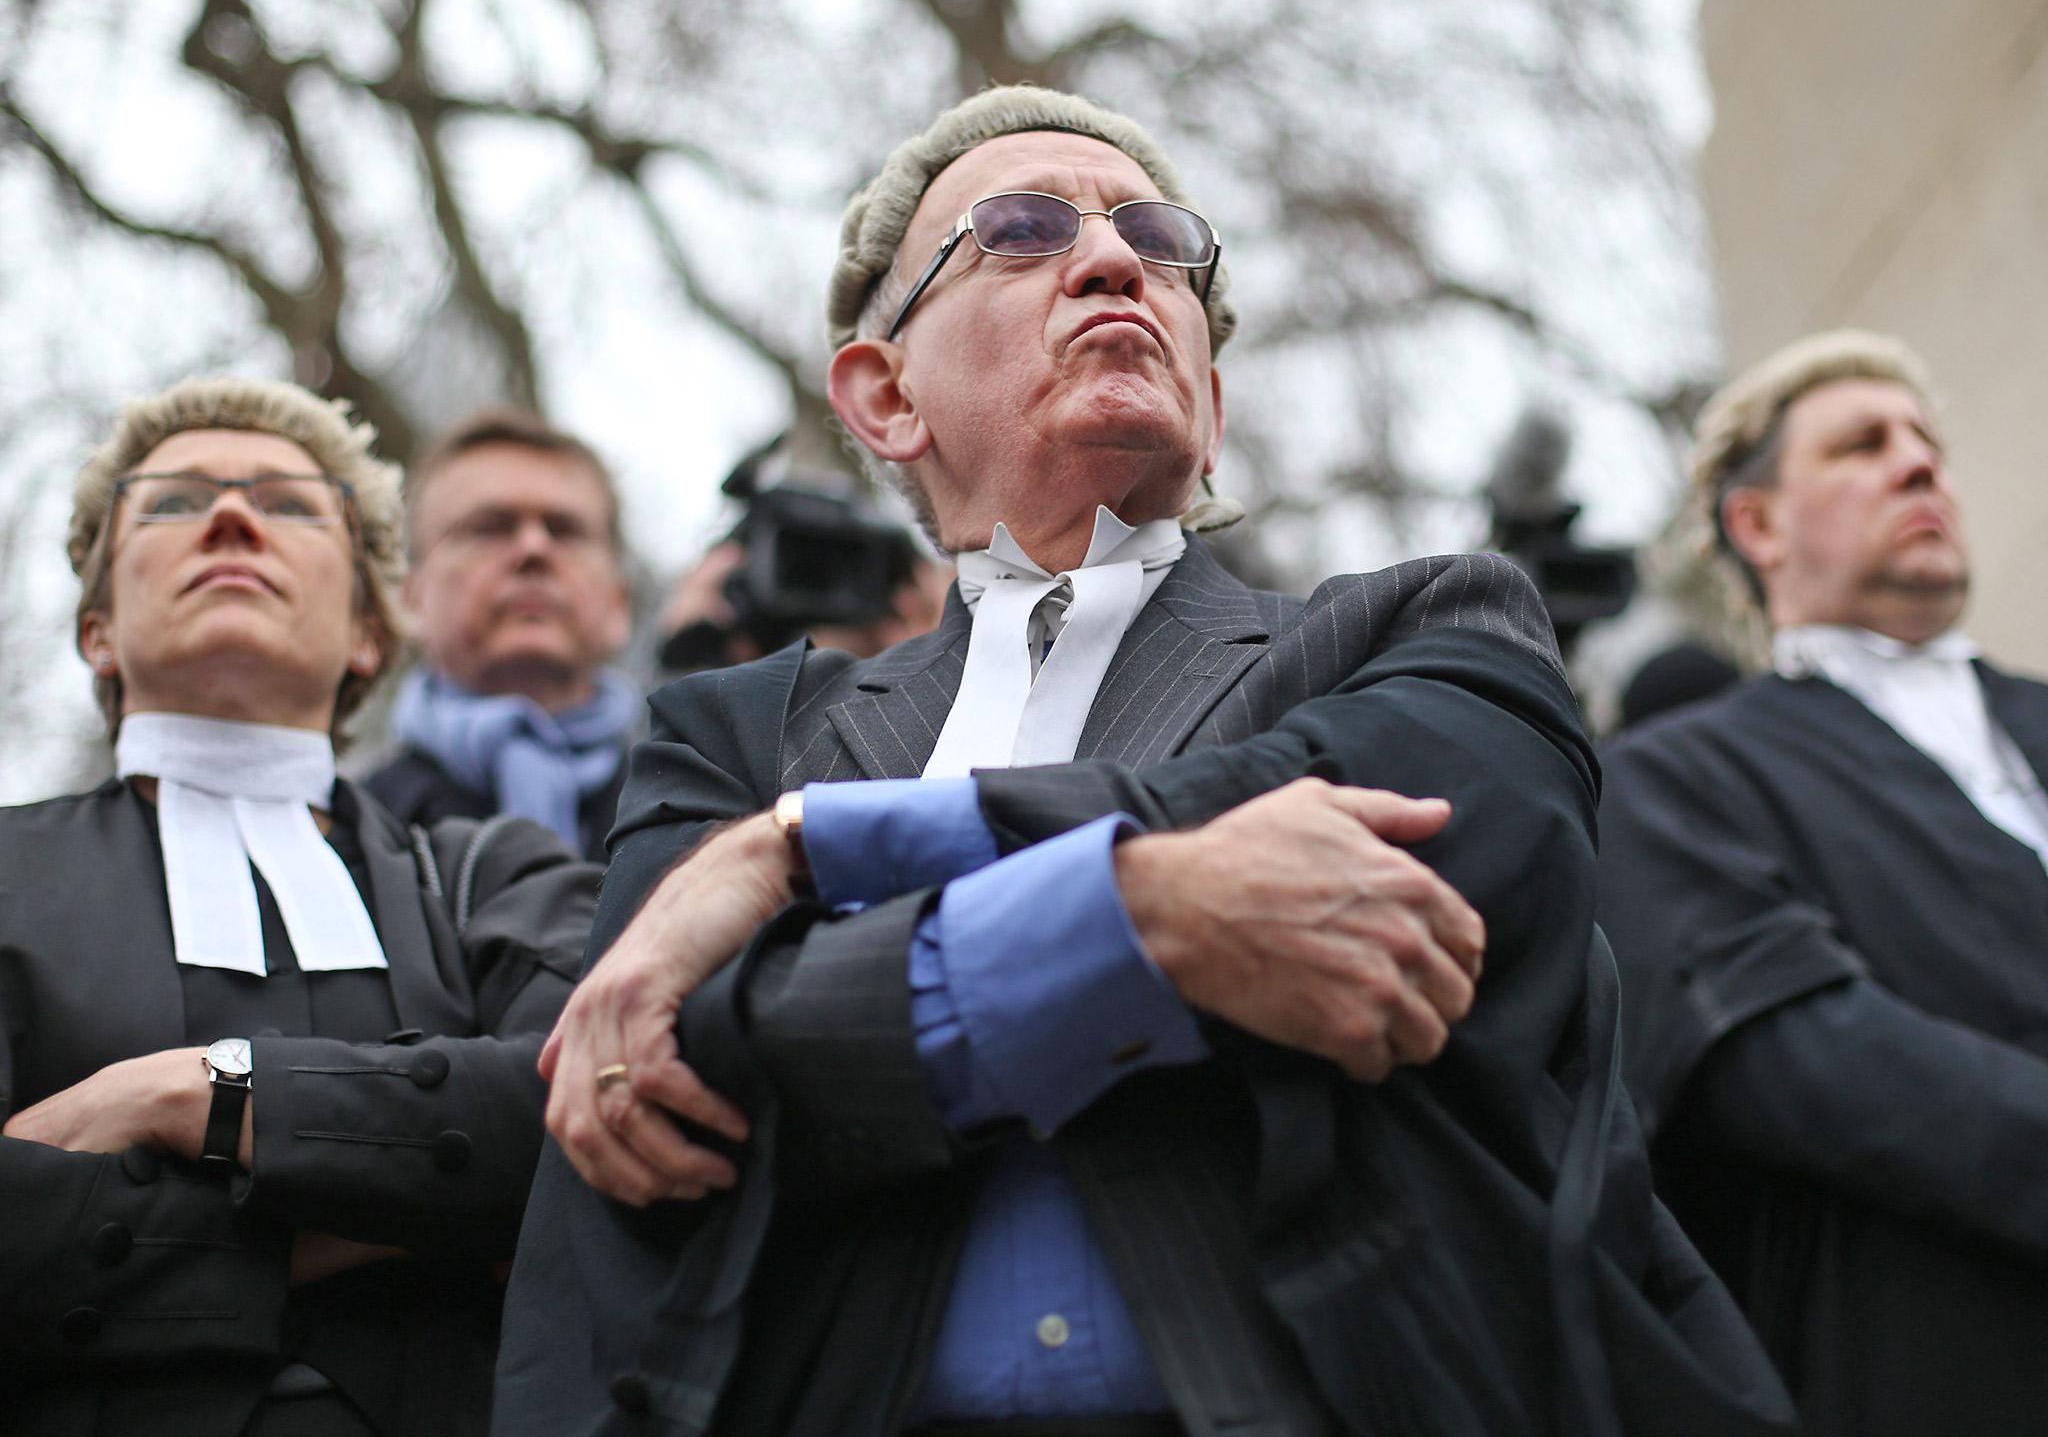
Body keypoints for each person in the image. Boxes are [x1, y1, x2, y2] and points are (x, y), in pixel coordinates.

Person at [496, 87, 1792, 1437]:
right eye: (1019, 229)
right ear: (884, 396)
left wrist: (813, 851)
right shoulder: (734, 733)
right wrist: (1150, 915)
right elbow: (663, 1072)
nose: (1116, 260)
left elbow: (1426, 866)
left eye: (1160, 240)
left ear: (1212, 404)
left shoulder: (1430, 625)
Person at [0, 379, 599, 1437]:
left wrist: (202, 1094)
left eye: (287, 505)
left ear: (369, 631)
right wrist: (391, 1222)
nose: (232, 517)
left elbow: (583, 1102)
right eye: (176, 503)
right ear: (97, 632)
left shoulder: (492, 871)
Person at [1597, 330, 2048, 1437]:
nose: (1916, 464)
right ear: (1755, 525)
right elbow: (1790, 1058)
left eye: (1924, 443)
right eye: (1861, 444)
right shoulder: (1669, 778)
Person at [366, 408, 636, 861]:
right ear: (410, 599)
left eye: (565, 531)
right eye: (489, 529)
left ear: (618, 604)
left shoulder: (707, 820)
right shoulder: (351, 834)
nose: (533, 548)